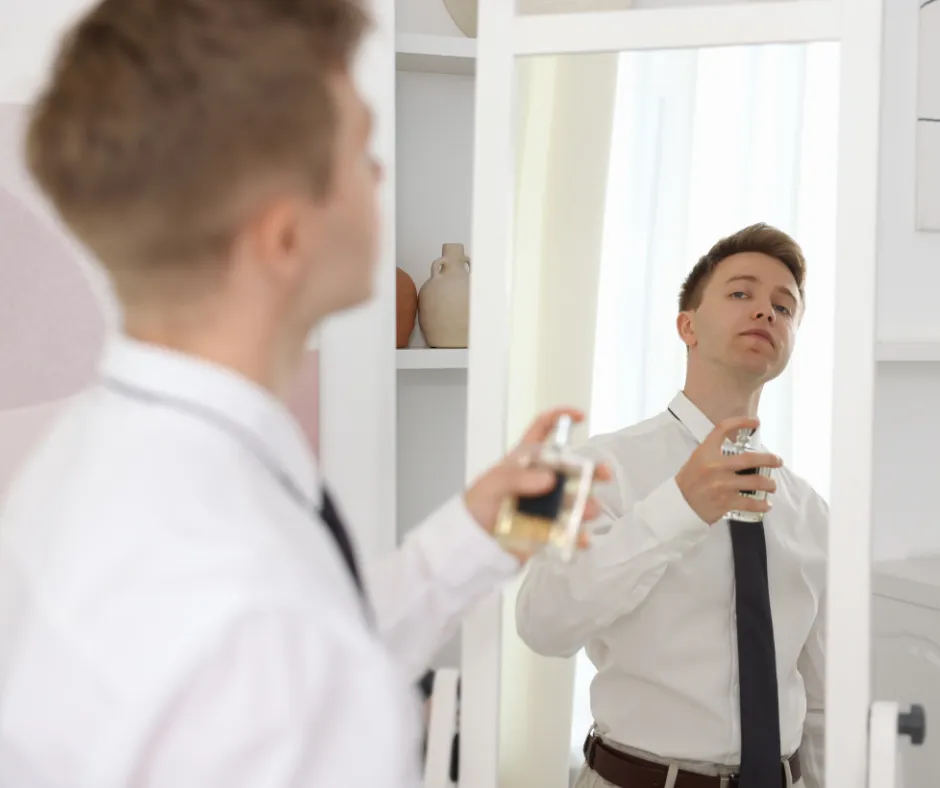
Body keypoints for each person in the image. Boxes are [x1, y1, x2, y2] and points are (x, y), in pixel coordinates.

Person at [0, 1, 607, 786]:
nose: (381, 175)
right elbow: (294, 655)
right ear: (284, 235)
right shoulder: (258, 615)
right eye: (362, 152)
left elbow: (316, 643)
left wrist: (473, 538)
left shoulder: (98, 459)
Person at [516, 224, 828, 788]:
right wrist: (678, 508)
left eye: (784, 306)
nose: (765, 312)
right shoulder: (572, 466)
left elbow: (826, 700)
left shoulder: (814, 514)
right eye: (741, 293)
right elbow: (538, 622)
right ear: (687, 325)